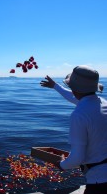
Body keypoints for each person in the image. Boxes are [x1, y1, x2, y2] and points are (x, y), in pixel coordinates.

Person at [40, 65, 107, 194]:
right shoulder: (102, 103)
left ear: (74, 89)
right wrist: (55, 86)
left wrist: (61, 165)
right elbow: (75, 97)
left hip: (99, 181)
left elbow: (77, 158)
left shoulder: (79, 115)